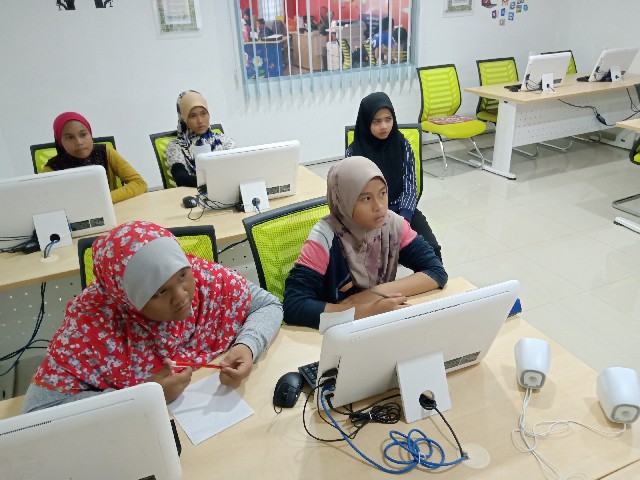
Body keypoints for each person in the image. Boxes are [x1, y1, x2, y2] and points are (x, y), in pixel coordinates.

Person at [21, 221, 282, 413]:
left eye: (182, 276)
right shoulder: (91, 326)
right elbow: (39, 412)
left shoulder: (202, 276)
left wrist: (247, 345)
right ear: (128, 299)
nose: (181, 296)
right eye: (160, 291)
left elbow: (268, 305)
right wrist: (144, 397)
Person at [282, 156, 447, 329]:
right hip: (332, 331)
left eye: (382, 194)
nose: (379, 207)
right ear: (344, 201)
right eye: (366, 199)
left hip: (377, 325)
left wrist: (375, 293)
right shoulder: (324, 236)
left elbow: (436, 271)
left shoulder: (392, 224)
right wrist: (367, 311)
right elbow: (294, 305)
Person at [346, 91, 442, 261]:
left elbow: (410, 187)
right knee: (365, 257)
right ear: (366, 122)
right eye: (376, 121)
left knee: (431, 249)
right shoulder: (354, 153)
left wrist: (404, 220)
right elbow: (352, 195)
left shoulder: (403, 145)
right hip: (369, 215)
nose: (384, 126)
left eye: (388, 119)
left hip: (401, 210)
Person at [43, 112, 147, 204]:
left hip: (113, 211)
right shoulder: (52, 168)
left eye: (83, 134)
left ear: (90, 134)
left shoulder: (105, 152)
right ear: (60, 142)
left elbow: (139, 183)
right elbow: (48, 203)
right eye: (70, 137)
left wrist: (104, 199)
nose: (79, 142)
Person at [164, 90, 236, 188]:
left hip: (226, 190)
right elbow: (181, 178)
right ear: (183, 118)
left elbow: (236, 169)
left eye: (203, 113)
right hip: (194, 194)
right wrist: (214, 182)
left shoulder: (224, 141)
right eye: (192, 116)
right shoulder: (175, 147)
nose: (200, 121)